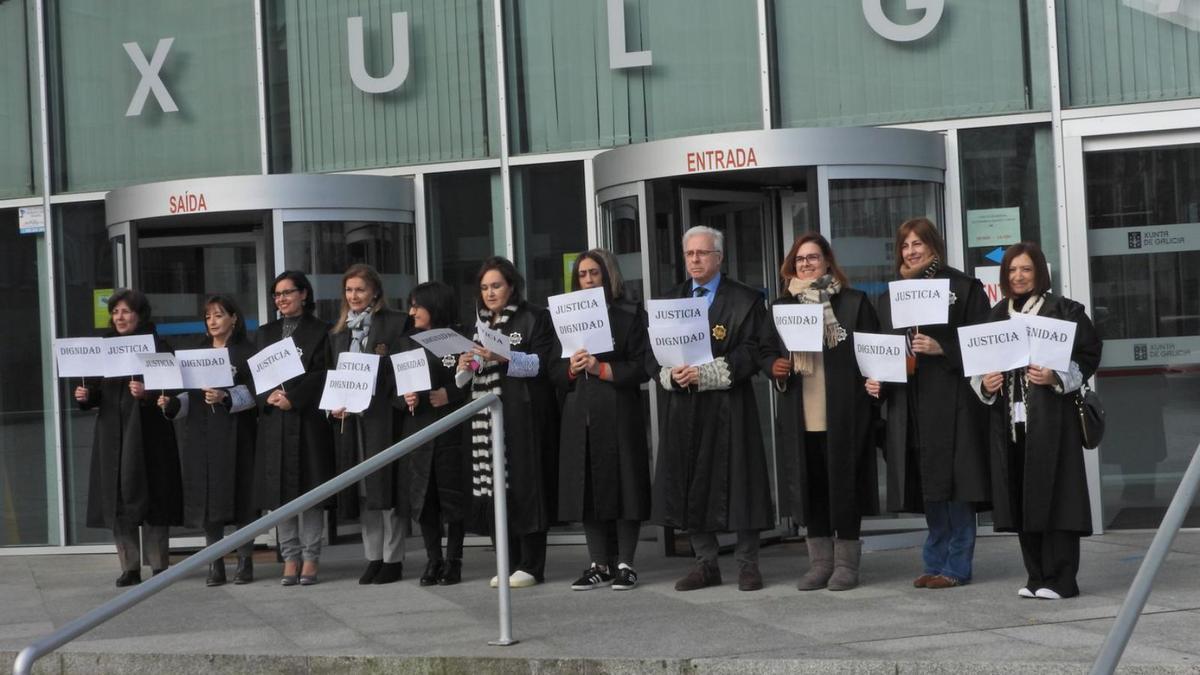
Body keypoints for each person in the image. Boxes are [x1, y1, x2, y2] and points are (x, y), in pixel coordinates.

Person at [866, 217, 991, 589]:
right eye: (904, 245)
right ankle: (933, 562)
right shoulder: (891, 296)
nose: (910, 251)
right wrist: (877, 377)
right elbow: (884, 347)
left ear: (933, 245)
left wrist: (943, 347)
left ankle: (956, 566)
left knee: (956, 485)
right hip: (909, 405)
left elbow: (985, 344)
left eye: (917, 243)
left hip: (952, 404)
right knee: (927, 483)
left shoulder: (963, 288)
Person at [973, 242, 1102, 600]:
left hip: (1052, 424)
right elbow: (979, 367)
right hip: (1010, 427)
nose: (1018, 276)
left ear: (1039, 273)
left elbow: (1090, 355)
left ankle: (1062, 579)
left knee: (1057, 498)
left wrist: (1055, 376)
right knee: (1020, 496)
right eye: (1012, 270)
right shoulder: (995, 315)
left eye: (1026, 269)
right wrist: (985, 384)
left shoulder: (1064, 311)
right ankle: (1036, 576)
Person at [652, 225, 774, 592]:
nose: (695, 260)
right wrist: (670, 372)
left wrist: (707, 373)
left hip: (729, 405)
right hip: (685, 407)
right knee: (691, 483)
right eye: (689, 253)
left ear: (719, 257)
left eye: (702, 253)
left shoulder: (745, 299)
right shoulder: (669, 300)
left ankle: (748, 565)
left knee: (741, 483)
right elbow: (653, 353)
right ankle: (705, 564)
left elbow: (754, 350)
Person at [762, 233, 880, 591]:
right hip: (801, 413)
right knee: (811, 488)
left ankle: (846, 565)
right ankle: (819, 563)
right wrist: (774, 367)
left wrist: (878, 383)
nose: (806, 264)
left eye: (813, 257)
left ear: (827, 261)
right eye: (800, 259)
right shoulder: (782, 307)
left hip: (845, 412)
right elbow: (765, 350)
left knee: (845, 487)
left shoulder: (854, 302)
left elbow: (874, 350)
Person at [550, 249, 651, 592]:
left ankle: (625, 564)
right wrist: (570, 368)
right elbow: (552, 369)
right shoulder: (564, 318)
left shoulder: (630, 314)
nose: (588, 280)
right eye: (582, 274)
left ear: (608, 276)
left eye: (594, 273)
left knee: (626, 486)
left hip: (619, 411)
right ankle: (599, 564)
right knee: (587, 487)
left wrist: (602, 368)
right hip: (581, 413)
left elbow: (642, 366)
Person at [456, 256, 558, 588]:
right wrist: (466, 365)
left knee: (526, 488)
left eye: (496, 286)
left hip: (522, 416)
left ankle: (531, 565)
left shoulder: (535, 317)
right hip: (487, 420)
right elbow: (472, 376)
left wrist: (504, 357)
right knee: (495, 489)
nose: (490, 293)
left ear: (511, 286)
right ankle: (507, 561)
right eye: (484, 287)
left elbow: (543, 365)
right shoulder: (479, 325)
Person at [74, 289, 182, 587]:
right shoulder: (105, 346)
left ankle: (159, 566)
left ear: (140, 314)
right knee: (117, 498)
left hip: (149, 435)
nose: (119, 317)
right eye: (115, 312)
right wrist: (86, 395)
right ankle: (129, 567)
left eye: (125, 311)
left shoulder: (158, 346)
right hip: (112, 432)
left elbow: (173, 389)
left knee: (155, 496)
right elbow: (95, 389)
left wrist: (147, 392)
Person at [157, 295, 259, 586]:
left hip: (237, 435)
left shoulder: (247, 352)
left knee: (242, 498)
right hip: (201, 435)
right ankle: (215, 563)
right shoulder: (196, 353)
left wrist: (226, 396)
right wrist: (171, 404)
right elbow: (187, 395)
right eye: (208, 317)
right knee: (207, 500)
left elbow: (257, 393)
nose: (212, 322)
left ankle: (245, 560)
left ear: (234, 318)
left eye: (219, 315)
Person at [329, 264, 409, 585]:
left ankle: (393, 558)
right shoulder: (338, 332)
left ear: (375, 291)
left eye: (360, 289)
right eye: (349, 290)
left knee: (386, 488)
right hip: (352, 423)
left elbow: (403, 368)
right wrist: (335, 404)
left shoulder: (395, 323)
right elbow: (333, 376)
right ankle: (373, 556)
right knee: (364, 492)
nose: (354, 296)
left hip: (383, 418)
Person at [254, 271, 334, 586]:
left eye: (287, 292)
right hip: (275, 420)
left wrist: (295, 398)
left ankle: (311, 556)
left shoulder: (322, 331)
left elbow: (323, 372)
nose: (282, 299)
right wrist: (268, 396)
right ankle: (289, 557)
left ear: (304, 294)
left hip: (307, 419)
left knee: (310, 490)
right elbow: (255, 373)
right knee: (281, 493)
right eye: (277, 295)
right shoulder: (265, 333)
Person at [399, 281, 470, 586]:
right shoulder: (407, 342)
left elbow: (473, 379)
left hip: (451, 429)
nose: (412, 312)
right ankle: (433, 559)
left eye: (417, 306)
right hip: (419, 429)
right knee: (424, 498)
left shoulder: (458, 339)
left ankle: (454, 560)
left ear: (435, 305)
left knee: (452, 497)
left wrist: (450, 393)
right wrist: (405, 398)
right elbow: (394, 386)